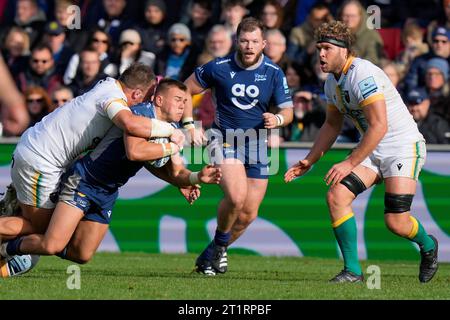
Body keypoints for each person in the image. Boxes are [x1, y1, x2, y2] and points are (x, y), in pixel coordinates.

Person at [0, 79, 221, 277]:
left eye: (185, 101)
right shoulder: (142, 114)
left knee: (81, 254)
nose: (183, 105)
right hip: (84, 181)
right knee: (51, 244)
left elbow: (173, 171)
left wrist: (194, 178)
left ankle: (16, 237)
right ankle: (5, 250)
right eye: (179, 100)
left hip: (107, 191)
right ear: (160, 99)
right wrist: (173, 145)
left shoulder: (170, 129)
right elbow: (136, 151)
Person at [284, 21, 438, 283]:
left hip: (401, 146)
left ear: (344, 51)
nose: (320, 54)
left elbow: (380, 125)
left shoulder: (362, 73)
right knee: (336, 196)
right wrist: (310, 159)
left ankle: (429, 246)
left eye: (327, 48)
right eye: (319, 48)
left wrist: (350, 162)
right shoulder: (331, 83)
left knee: (396, 222)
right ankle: (353, 271)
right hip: (373, 147)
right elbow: (332, 124)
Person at [0, 63, 184, 246]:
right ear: (136, 93)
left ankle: (12, 213)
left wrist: (180, 179)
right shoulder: (113, 97)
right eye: (147, 97)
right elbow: (131, 124)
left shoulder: (108, 85)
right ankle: (8, 240)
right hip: (42, 160)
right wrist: (170, 131)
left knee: (45, 226)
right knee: (43, 227)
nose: (146, 104)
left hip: (36, 150)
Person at [183, 17, 293, 275]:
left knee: (248, 214)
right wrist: (190, 124)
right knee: (236, 196)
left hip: (256, 144)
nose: (249, 45)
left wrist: (277, 119)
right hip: (223, 138)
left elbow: (288, 110)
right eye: (244, 40)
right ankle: (218, 251)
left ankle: (213, 252)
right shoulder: (218, 67)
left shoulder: (274, 72)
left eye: (255, 41)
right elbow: (185, 90)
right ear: (237, 41)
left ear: (264, 44)